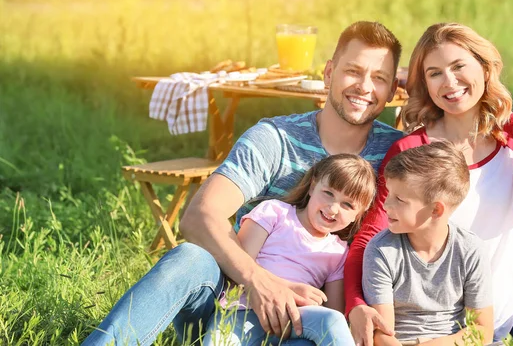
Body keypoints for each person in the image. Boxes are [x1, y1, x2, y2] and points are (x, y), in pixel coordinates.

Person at [82, 20, 402, 346]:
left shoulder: (398, 155)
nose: (364, 86)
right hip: (233, 302)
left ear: (393, 91)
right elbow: (199, 216)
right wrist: (256, 281)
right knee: (189, 258)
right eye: (353, 71)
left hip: (309, 320)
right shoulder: (276, 138)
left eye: (379, 78)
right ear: (329, 72)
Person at [344, 22, 513, 346]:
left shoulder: (507, 145)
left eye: (459, 67)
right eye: (435, 73)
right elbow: (370, 237)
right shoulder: (415, 150)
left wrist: (512, 121)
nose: (450, 82)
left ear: (484, 69)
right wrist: (355, 305)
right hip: (443, 317)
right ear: (425, 84)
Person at [204, 153, 376, 346]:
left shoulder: (337, 252)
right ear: (313, 186)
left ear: (358, 215)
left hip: (295, 321)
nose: (333, 208)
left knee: (331, 321)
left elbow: (334, 312)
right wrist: (288, 288)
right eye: (328, 193)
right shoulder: (274, 212)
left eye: (347, 205)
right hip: (243, 310)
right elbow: (238, 268)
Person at [363, 141, 493, 346]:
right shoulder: (381, 250)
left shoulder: (470, 250)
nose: (386, 204)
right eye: (388, 193)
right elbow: (381, 333)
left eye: (399, 199)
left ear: (435, 210)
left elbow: (482, 330)